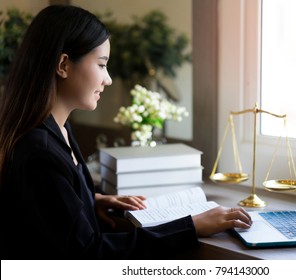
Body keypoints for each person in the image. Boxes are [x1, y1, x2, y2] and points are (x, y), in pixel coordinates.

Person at [0, 5, 251, 259]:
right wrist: (192, 226)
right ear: (63, 65)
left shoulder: (59, 128)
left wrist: (89, 201)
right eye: (101, 65)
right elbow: (89, 255)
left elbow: (49, 211)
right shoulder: (40, 150)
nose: (107, 79)